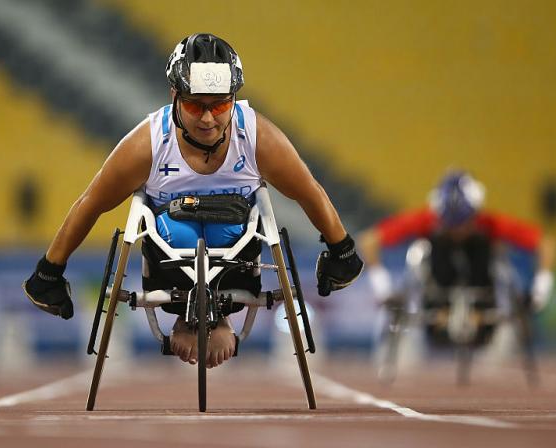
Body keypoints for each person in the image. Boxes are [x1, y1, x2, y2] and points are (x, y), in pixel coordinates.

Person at [23, 33, 363, 368]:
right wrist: (49, 270)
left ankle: (220, 318)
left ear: (233, 98)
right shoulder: (148, 143)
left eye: (220, 105)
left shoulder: (256, 136)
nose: (207, 119)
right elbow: (91, 203)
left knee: (232, 228)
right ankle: (187, 319)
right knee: (180, 229)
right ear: (174, 94)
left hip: (238, 259)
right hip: (168, 260)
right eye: (194, 105)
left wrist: (342, 250)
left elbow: (308, 190)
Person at [359, 170, 555, 314]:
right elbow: (369, 241)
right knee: (429, 247)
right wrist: (382, 287)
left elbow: (545, 243)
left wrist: (541, 288)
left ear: (475, 213)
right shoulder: (428, 219)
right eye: (450, 222)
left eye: (463, 221)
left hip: (482, 287)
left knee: (488, 246)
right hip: (437, 289)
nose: (457, 230)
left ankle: (482, 314)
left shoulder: (488, 223)